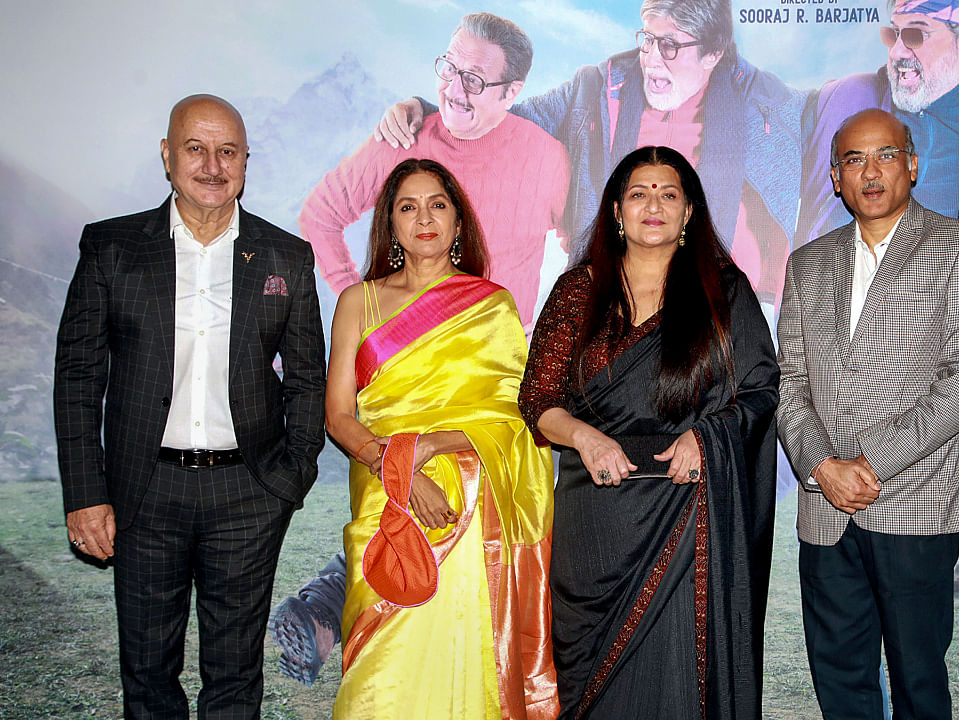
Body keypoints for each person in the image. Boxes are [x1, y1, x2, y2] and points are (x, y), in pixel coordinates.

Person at [53, 94, 326, 718]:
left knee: (234, 677)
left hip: (247, 495)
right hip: (142, 493)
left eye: (227, 151)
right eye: (195, 149)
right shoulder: (112, 248)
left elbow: (309, 378)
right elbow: (78, 376)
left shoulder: (285, 256)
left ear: (246, 161)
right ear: (167, 155)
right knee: (148, 676)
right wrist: (85, 492)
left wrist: (287, 480)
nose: (211, 165)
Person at [519, 146, 778, 719]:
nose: (653, 205)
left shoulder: (723, 295)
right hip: (594, 519)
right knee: (589, 685)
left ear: (689, 213)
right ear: (616, 209)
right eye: (639, 193)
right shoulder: (577, 292)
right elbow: (538, 399)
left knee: (676, 680)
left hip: (686, 514)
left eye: (668, 194)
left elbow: (760, 392)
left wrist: (706, 437)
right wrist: (586, 438)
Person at [777, 108, 959, 720]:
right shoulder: (808, 262)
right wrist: (822, 467)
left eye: (885, 155)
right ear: (835, 177)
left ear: (913, 165)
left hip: (917, 501)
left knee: (918, 682)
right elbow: (789, 384)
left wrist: (867, 464)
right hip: (825, 508)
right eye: (854, 160)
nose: (870, 172)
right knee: (840, 677)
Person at [376, 0, 805, 308]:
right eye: (647, 40)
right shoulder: (597, 86)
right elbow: (514, 117)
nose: (652, 59)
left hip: (719, 302)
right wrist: (432, 110)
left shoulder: (764, 102)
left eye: (670, 46)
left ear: (713, 53)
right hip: (609, 294)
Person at [326, 158, 557, 718]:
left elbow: (511, 417)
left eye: (437, 205)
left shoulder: (491, 305)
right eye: (408, 206)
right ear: (389, 222)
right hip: (388, 501)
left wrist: (432, 447)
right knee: (383, 668)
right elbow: (337, 417)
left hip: (469, 504)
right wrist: (400, 470)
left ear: (459, 222)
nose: (423, 218)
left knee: (464, 644)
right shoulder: (359, 301)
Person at [299, 12, 569, 327]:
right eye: (450, 68)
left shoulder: (547, 157)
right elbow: (320, 215)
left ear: (510, 92)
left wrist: (552, 329)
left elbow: (585, 248)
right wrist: (362, 306)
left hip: (501, 360)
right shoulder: (401, 138)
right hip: (405, 355)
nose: (454, 90)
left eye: (473, 79)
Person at [798, 0, 959, 244]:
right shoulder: (847, 97)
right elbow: (764, 100)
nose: (896, 52)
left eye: (916, 35)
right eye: (893, 34)